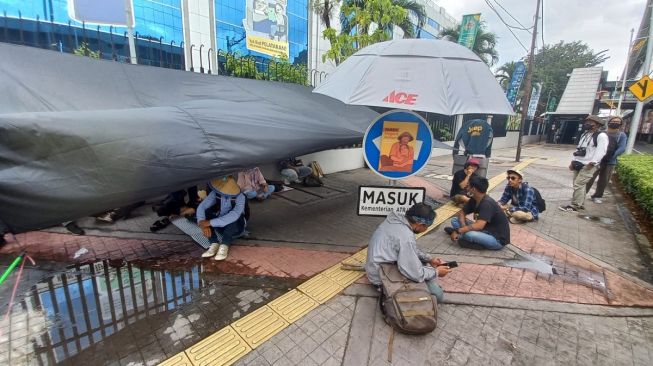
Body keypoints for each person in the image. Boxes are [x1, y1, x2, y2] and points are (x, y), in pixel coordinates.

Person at [365, 203, 451, 303]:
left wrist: (429, 259)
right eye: (427, 227)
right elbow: (416, 274)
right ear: (419, 224)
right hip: (381, 278)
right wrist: (436, 272)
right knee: (438, 294)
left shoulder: (396, 219)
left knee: (423, 264)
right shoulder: (406, 237)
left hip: (376, 267)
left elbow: (408, 249)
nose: (426, 230)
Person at [444, 176, 510, 250]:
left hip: (496, 240)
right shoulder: (474, 199)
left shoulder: (487, 203)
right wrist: (463, 226)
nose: (466, 187)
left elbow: (479, 226)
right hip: (483, 230)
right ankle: (463, 237)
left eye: (468, 185)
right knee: (455, 220)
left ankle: (464, 238)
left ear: (473, 189)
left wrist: (458, 230)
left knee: (469, 234)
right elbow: (462, 213)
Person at [559, 115, 608, 212]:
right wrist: (573, 161)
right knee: (578, 184)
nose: (587, 124)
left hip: (589, 165)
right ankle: (580, 204)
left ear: (597, 125)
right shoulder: (585, 134)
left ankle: (575, 206)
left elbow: (602, 151)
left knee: (579, 184)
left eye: (591, 122)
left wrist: (592, 163)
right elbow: (579, 149)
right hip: (579, 163)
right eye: (587, 121)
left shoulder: (601, 136)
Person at [198, 176, 246, 261]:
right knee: (206, 213)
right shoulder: (216, 193)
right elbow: (202, 207)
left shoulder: (240, 197)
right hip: (220, 226)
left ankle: (225, 244)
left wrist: (210, 222)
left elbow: (234, 215)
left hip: (236, 227)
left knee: (234, 218)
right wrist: (202, 222)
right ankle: (214, 243)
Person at [585, 116, 627, 204]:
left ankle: (597, 196)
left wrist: (612, 156)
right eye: (613, 121)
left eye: (617, 122)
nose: (615, 123)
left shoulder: (621, 135)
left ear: (620, 124)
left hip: (610, 162)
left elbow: (622, 148)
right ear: (609, 122)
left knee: (603, 180)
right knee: (589, 178)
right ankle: (582, 194)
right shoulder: (602, 133)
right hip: (597, 160)